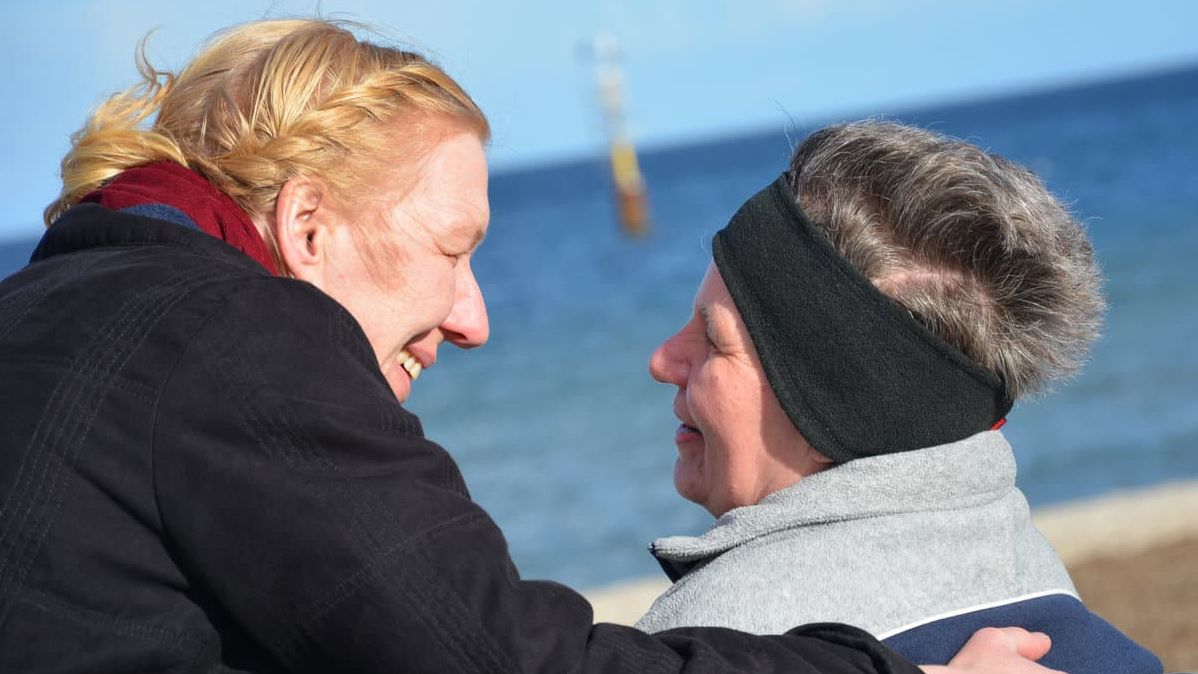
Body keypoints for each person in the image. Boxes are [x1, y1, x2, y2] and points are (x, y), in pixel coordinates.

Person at [0, 18, 1060, 673]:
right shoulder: (233, 334)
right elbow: (495, 656)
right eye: (451, 247)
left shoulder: (57, 308)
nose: (474, 319)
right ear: (309, 224)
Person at [635, 121, 1162, 673]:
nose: (663, 360)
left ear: (837, 409)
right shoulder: (1044, 591)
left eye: (713, 340)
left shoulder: (708, 639)